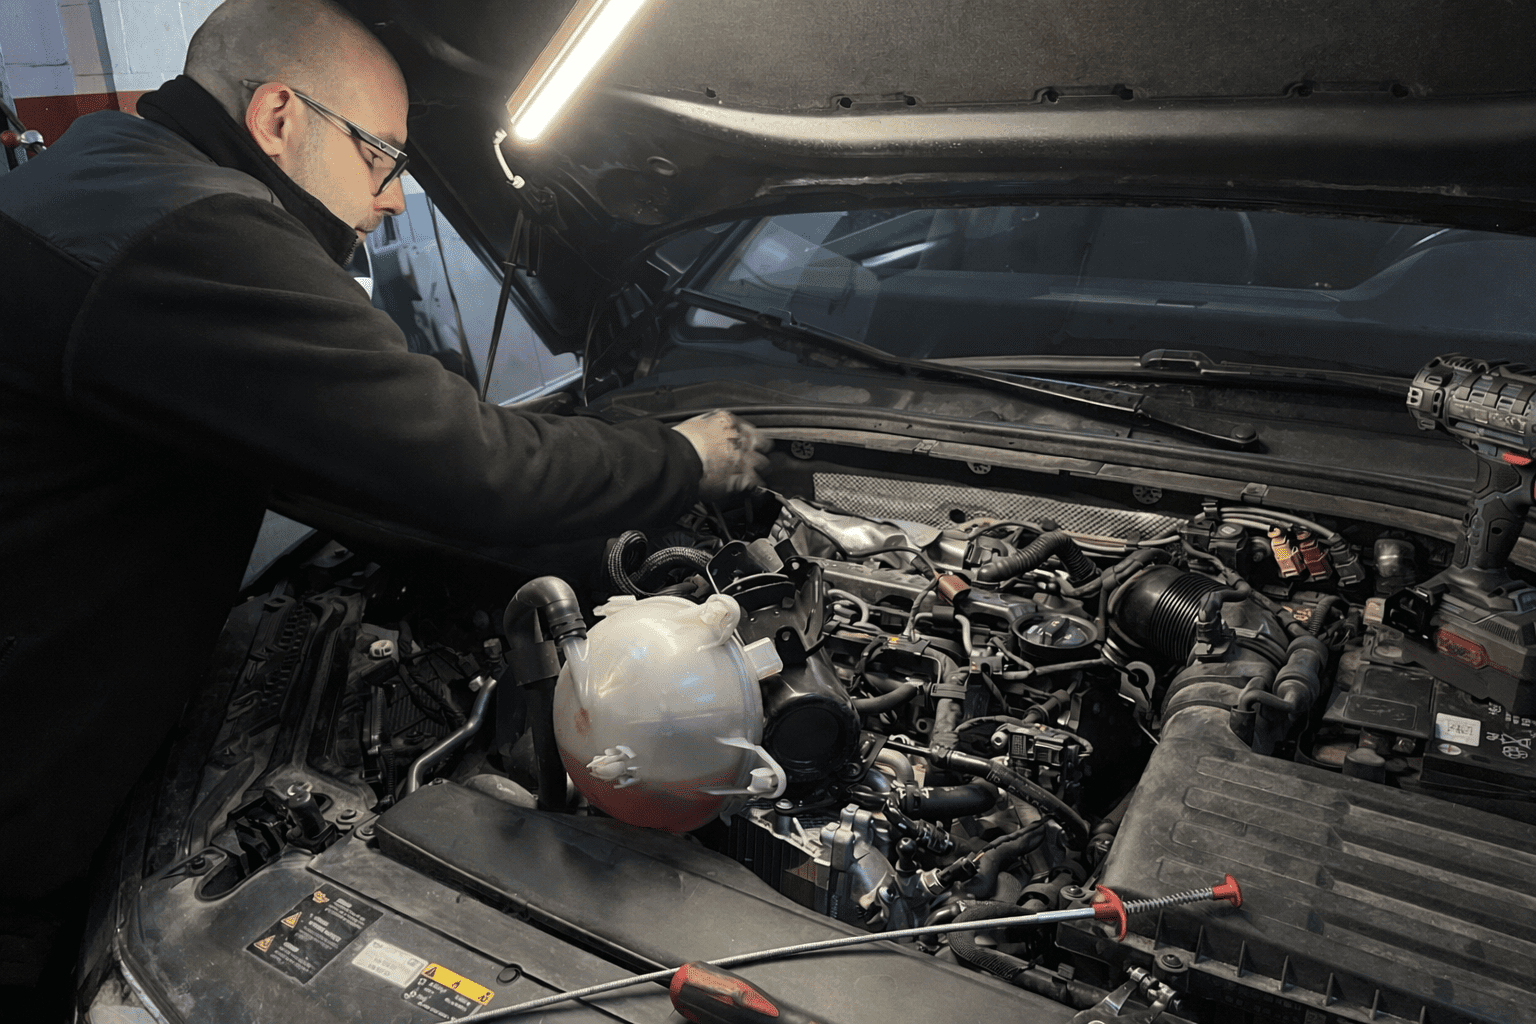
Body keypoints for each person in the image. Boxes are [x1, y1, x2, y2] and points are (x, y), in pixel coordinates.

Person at [0, 0, 767, 1011]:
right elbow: (466, 465)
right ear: (278, 117)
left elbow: (337, 470)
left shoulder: (110, 175)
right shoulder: (195, 229)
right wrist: (679, 457)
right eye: (382, 156)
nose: (398, 197)